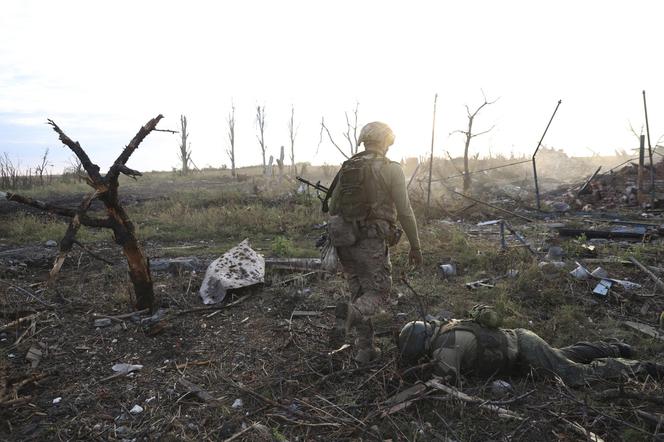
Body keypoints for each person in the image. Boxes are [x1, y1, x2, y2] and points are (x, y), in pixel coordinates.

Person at [326, 121, 422, 363]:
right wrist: (416, 245)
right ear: (386, 142)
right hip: (370, 240)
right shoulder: (391, 169)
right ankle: (351, 315)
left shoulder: (348, 167)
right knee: (379, 291)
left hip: (344, 240)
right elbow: (405, 211)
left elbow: (331, 206)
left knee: (359, 291)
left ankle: (365, 350)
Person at [398, 306, 664, 386]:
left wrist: (416, 376)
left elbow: (444, 381)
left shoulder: (445, 347)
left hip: (522, 350)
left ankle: (648, 368)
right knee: (564, 356)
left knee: (574, 375)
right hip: (520, 346)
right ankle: (615, 347)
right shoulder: (447, 327)